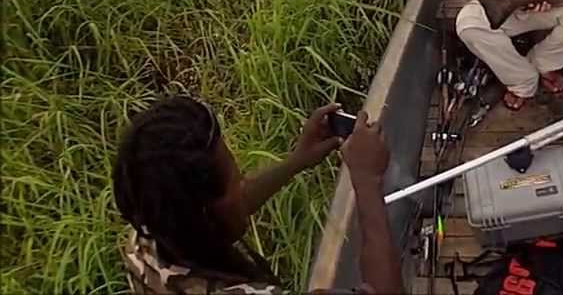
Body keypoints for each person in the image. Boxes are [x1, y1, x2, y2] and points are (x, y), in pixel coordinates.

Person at [112, 96, 401, 294]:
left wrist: (298, 160)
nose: (243, 184)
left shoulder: (145, 241)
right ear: (207, 213)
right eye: (236, 180)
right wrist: (367, 181)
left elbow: (228, 207)